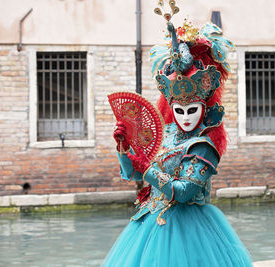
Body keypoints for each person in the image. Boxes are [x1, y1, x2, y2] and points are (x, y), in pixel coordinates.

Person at [101, 16, 253, 267]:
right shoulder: (167, 134)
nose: (184, 118)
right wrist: (124, 146)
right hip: (151, 222)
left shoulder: (204, 146)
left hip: (192, 230)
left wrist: (146, 168)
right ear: (171, 108)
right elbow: (131, 175)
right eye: (179, 111)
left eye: (191, 110)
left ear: (203, 108)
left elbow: (183, 193)